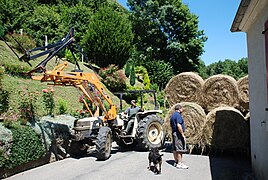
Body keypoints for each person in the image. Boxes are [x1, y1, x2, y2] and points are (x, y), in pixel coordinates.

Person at [170, 104, 189, 169]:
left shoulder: (172, 115)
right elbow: (178, 125)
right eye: (182, 108)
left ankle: (176, 161)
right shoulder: (178, 115)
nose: (182, 110)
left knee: (175, 148)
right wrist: (182, 134)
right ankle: (179, 163)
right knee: (179, 149)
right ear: (179, 109)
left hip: (174, 133)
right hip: (178, 134)